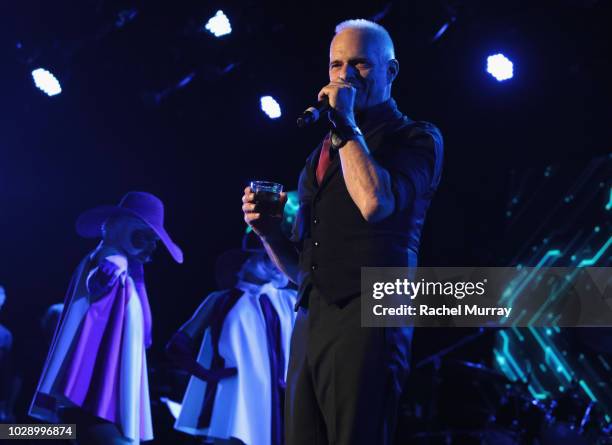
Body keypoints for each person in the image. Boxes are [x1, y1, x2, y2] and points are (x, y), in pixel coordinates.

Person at [242, 19, 443, 445]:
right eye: (336, 65)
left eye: (360, 65)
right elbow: (303, 270)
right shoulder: (320, 155)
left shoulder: (416, 138)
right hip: (312, 318)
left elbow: (375, 204)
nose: (345, 75)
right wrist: (268, 233)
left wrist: (346, 124)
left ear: (391, 72)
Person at [30, 191, 183, 445]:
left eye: (154, 240)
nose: (152, 247)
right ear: (124, 230)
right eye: (144, 237)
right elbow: (102, 273)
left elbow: (146, 335)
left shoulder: (131, 274)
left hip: (99, 392)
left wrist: (138, 272)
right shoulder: (111, 257)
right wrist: (106, 274)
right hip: (92, 392)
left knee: (68, 433)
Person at [167, 246, 297, 445]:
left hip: (278, 398)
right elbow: (177, 345)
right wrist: (207, 375)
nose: (271, 261)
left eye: (272, 256)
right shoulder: (221, 299)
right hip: (234, 394)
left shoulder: (290, 299)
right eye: (263, 256)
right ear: (241, 265)